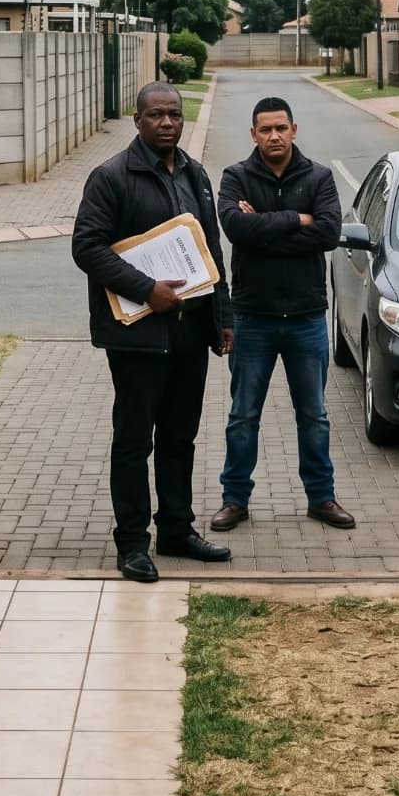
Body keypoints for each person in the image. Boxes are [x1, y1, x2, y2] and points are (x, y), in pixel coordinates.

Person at [71, 81, 234, 582]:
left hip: (190, 332)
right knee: (135, 439)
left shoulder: (196, 174)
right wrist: (147, 290)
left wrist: (222, 317)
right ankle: (132, 543)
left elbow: (210, 252)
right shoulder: (111, 177)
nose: (167, 123)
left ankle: (177, 530)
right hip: (137, 335)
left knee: (180, 437)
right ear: (137, 120)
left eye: (174, 115)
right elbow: (87, 248)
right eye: (156, 115)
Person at [211, 95, 355, 531]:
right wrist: (299, 219)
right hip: (252, 317)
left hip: (307, 317)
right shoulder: (235, 176)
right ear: (253, 134)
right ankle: (235, 500)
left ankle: (321, 498)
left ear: (294, 129)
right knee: (243, 416)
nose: (274, 136)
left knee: (314, 415)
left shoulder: (319, 176)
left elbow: (329, 233)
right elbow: (236, 229)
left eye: (281, 128)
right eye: (265, 129)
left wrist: (267, 227)